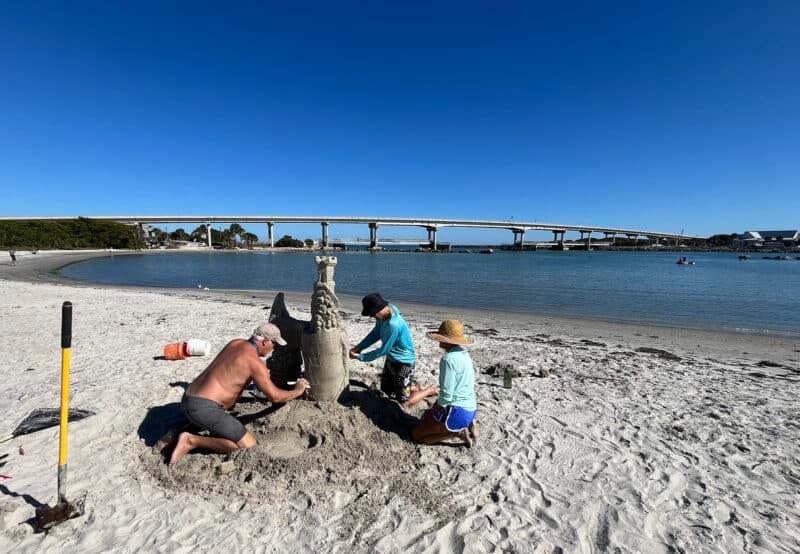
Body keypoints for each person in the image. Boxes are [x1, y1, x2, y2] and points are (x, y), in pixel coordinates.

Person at [168, 323, 308, 464]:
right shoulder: (255, 362)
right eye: (274, 344)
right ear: (265, 342)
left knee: (212, 420)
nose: (274, 348)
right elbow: (275, 397)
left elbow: (233, 370)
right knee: (247, 444)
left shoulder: (235, 343)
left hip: (188, 398)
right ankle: (191, 440)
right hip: (203, 408)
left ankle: (175, 434)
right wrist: (297, 390)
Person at [411, 319, 478, 448]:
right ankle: (468, 425)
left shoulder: (448, 359)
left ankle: (458, 433)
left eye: (440, 338)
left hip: (457, 411)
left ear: (445, 340)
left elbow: (447, 394)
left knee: (417, 435)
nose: (438, 341)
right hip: (471, 407)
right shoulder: (464, 354)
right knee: (427, 420)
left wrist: (436, 408)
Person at [349, 293, 417, 404]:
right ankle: (409, 387)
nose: (372, 317)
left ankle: (430, 390)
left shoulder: (393, 324)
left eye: (372, 314)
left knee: (403, 401)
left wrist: (359, 357)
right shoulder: (386, 312)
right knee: (386, 390)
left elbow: (382, 350)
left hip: (404, 361)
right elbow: (376, 333)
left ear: (380, 309)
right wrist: (359, 347)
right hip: (391, 357)